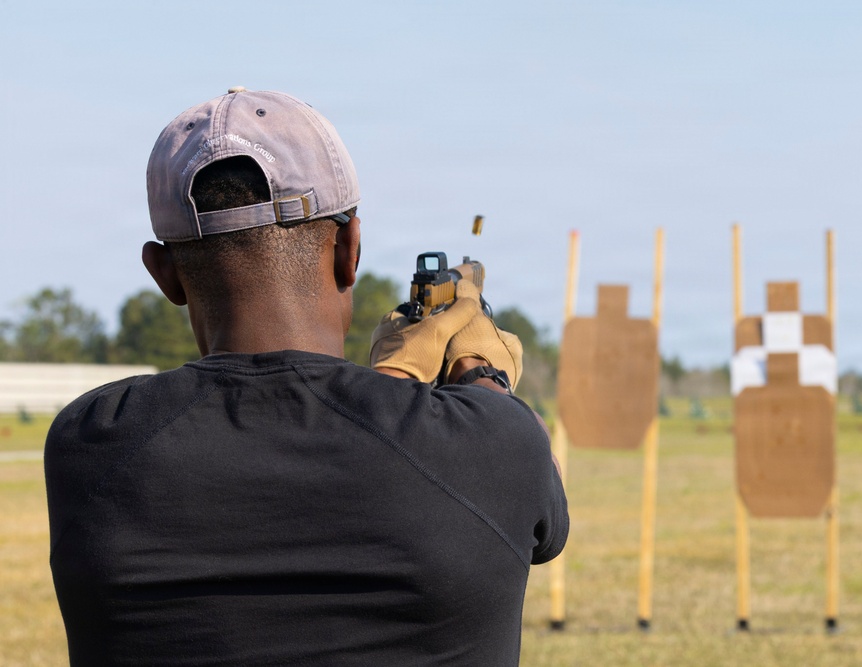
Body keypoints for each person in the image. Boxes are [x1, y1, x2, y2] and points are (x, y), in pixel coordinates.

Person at [45, 87, 568, 666]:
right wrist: (478, 369)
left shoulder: (89, 442)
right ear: (350, 248)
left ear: (164, 274)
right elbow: (535, 500)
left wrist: (396, 376)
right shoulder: (488, 444)